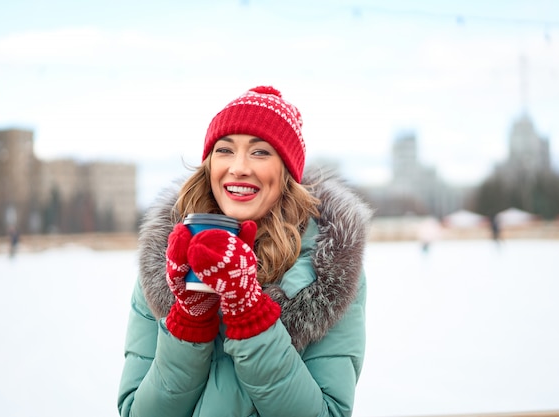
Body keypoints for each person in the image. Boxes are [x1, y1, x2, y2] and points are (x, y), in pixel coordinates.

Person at [117, 86, 372, 417]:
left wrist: (250, 314)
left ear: (287, 172)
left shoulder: (329, 273)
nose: (238, 167)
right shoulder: (167, 263)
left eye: (260, 152)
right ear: (209, 166)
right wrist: (190, 319)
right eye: (225, 150)